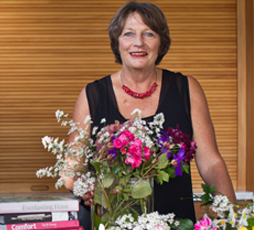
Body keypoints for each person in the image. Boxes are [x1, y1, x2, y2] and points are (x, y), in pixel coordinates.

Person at [63, 1, 236, 229]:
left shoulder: (187, 88)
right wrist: (82, 186)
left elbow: (211, 162)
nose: (139, 43)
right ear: (117, 42)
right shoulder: (92, 95)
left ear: (161, 42)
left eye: (149, 34)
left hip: (176, 221)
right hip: (111, 221)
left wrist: (233, 215)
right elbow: (71, 170)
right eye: (128, 34)